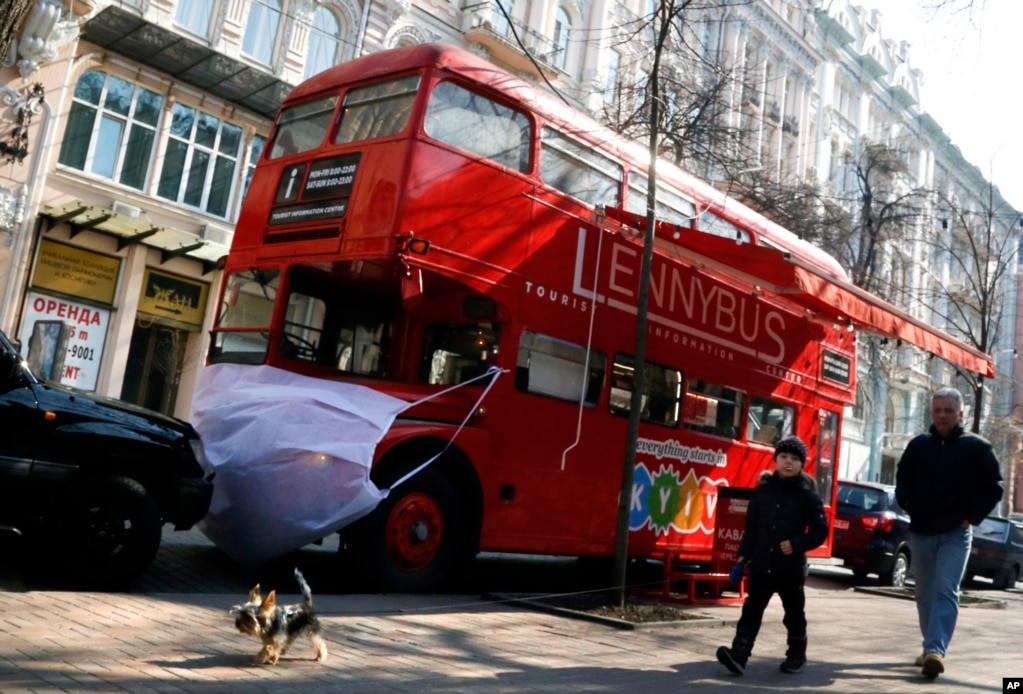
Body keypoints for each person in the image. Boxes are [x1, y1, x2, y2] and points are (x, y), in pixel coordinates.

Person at [894, 387, 1003, 680]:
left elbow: (993, 487)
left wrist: (971, 518)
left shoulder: (977, 447)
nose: (942, 415)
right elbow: (902, 479)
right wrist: (906, 502)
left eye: (948, 411)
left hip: (956, 533)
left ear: (960, 414)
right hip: (922, 531)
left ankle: (935, 651)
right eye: (937, 410)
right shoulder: (918, 445)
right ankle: (930, 646)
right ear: (932, 413)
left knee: (945, 590)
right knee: (924, 593)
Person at [716, 435, 828, 676]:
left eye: (795, 459)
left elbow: (821, 532)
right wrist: (743, 556)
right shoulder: (762, 492)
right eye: (784, 457)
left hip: (791, 569)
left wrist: (797, 544)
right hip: (761, 565)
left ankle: (797, 654)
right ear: (776, 459)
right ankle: (739, 655)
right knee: (751, 611)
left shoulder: (808, 496)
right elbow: (752, 528)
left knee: (794, 614)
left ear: (802, 464)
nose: (788, 462)